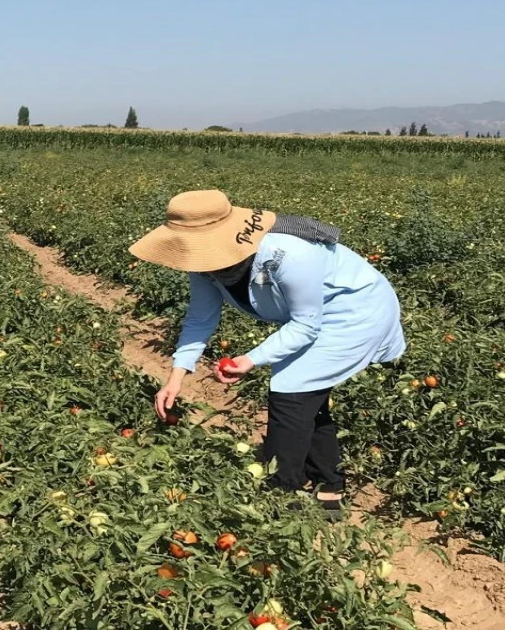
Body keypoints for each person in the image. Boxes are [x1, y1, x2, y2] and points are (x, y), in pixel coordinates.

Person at [129, 190, 405, 518]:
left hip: (354, 311)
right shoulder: (202, 265)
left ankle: (281, 495)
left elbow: (305, 325)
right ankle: (329, 485)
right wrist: (175, 378)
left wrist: (249, 359)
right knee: (305, 395)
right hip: (314, 318)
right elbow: (200, 319)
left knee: (291, 392)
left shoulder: (288, 253)